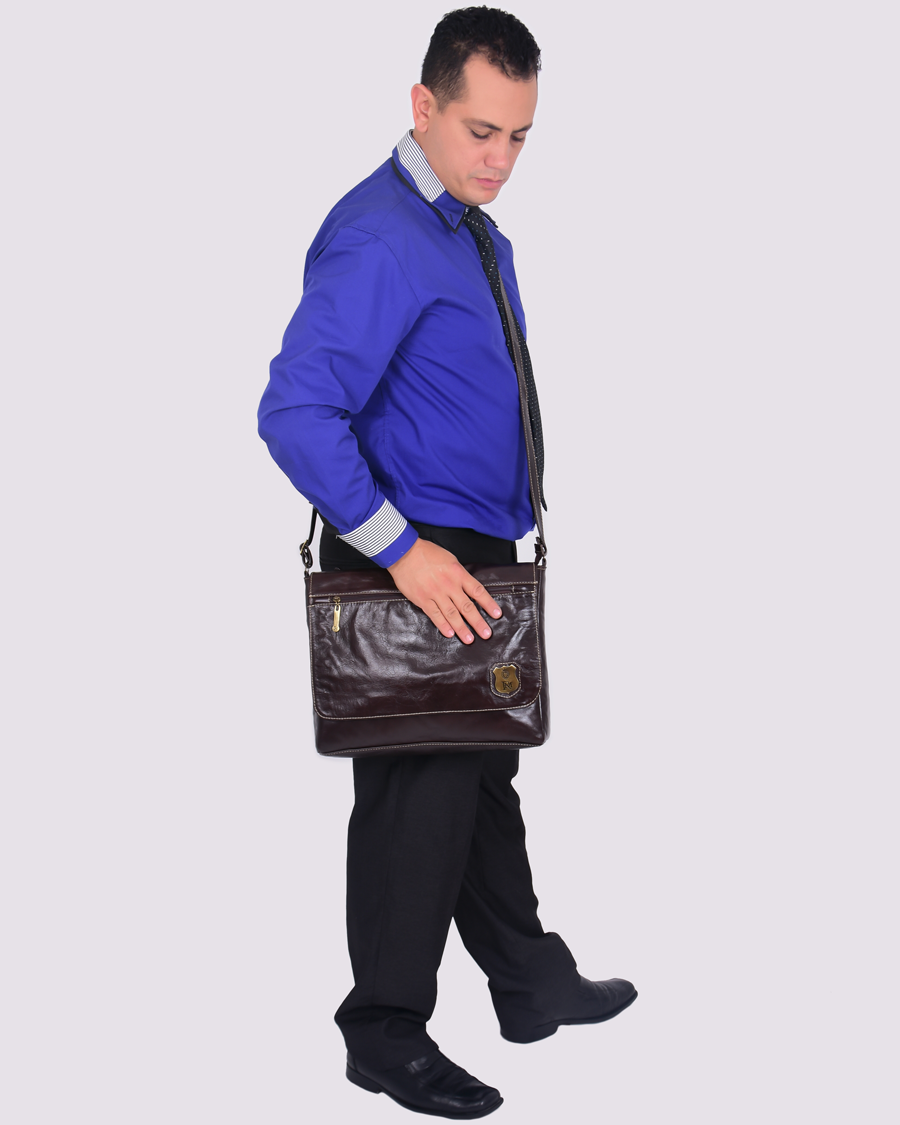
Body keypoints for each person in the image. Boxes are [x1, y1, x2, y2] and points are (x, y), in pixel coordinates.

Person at [258, 7, 636, 1119]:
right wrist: (403, 553)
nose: (501, 158)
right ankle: (382, 1030)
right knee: (417, 796)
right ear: (422, 106)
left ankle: (527, 977)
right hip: (413, 553)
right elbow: (295, 412)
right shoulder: (381, 234)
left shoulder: (465, 227)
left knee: (478, 772)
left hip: (470, 550)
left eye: (520, 136)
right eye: (481, 131)